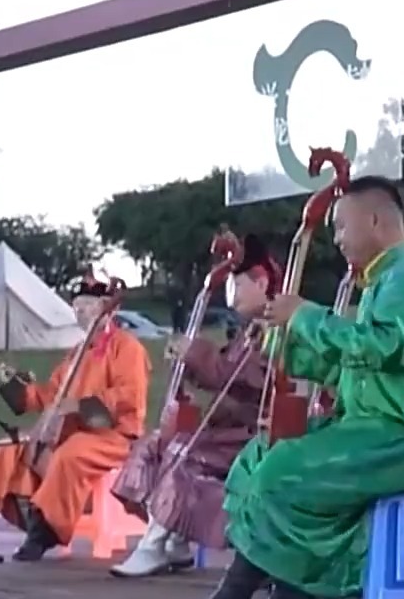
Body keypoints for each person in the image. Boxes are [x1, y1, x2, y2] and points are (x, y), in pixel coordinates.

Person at [163, 177, 404, 599]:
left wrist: (306, 315)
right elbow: (354, 368)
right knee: (258, 456)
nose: (336, 238)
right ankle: (291, 583)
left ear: (374, 220)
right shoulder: (384, 280)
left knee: (282, 468)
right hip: (379, 429)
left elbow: (385, 347)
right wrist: (284, 342)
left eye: (341, 226)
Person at [110, 234, 278, 578]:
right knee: (155, 444)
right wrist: (188, 363)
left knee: (183, 453)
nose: (232, 294)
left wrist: (196, 353)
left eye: (238, 284)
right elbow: (221, 375)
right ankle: (174, 539)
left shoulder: (275, 330)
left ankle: (153, 544)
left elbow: (242, 377)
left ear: (261, 283)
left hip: (252, 435)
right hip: (227, 430)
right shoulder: (247, 331)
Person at [0, 279, 150, 561]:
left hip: (114, 435)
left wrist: (79, 406)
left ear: (107, 310)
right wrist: (13, 387)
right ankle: (28, 512)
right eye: (76, 306)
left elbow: (130, 396)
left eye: (87, 305)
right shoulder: (77, 353)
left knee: (70, 454)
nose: (79, 312)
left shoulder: (127, 347)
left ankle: (44, 531)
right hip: (74, 431)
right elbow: (51, 395)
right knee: (13, 447)